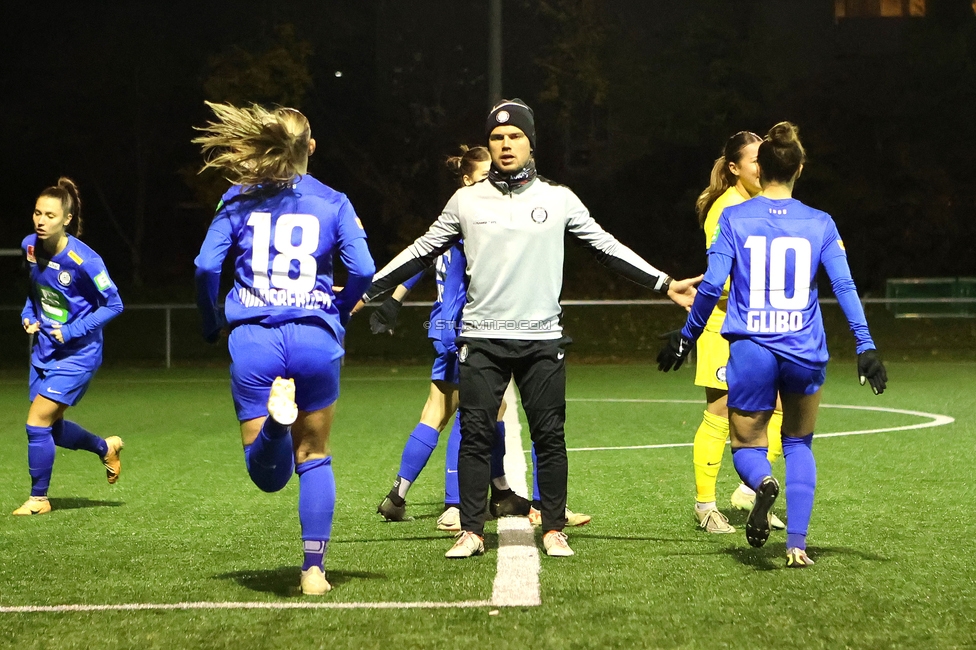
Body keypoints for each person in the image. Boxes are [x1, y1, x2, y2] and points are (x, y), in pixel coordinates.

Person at [363, 98, 699, 559]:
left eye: (514, 136)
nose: (505, 145)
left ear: (530, 143)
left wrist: (664, 283)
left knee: (550, 437)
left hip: (542, 339)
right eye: (497, 138)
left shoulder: (557, 198)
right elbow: (422, 249)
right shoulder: (465, 200)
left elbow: (606, 246)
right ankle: (472, 530)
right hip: (482, 337)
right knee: (476, 434)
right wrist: (372, 287)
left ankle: (555, 527)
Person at [657, 122, 888, 567]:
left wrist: (687, 338)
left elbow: (710, 287)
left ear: (758, 169)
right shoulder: (820, 222)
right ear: (800, 167)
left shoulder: (734, 217)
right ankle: (797, 546)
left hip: (751, 350)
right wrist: (866, 346)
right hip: (804, 349)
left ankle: (761, 482)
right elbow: (843, 285)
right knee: (800, 443)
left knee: (747, 446)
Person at [193, 101, 375, 594]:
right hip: (316, 339)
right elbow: (363, 271)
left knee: (268, 475)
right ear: (310, 148)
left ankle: (277, 422)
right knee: (314, 456)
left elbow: (207, 268)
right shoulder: (334, 200)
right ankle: (314, 571)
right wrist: (337, 312)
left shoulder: (237, 198)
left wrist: (211, 323)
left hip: (255, 340)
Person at [370, 146, 590, 531]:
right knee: (471, 417)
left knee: (451, 411)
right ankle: (458, 505)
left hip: (445, 326)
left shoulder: (455, 218)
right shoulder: (471, 219)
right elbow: (453, 273)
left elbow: (418, 260)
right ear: (469, 180)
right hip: (466, 329)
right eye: (485, 173)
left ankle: (412, 494)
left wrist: (395, 299)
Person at [691, 131, 785, 534]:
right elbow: (719, 278)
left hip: (758, 326)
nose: (762, 169)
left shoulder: (761, 204)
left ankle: (751, 490)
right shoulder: (725, 208)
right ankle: (705, 506)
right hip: (723, 325)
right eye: (754, 163)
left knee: (778, 406)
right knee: (720, 412)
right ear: (734, 168)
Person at [16, 177, 125, 516]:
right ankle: (104, 447)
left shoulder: (85, 260)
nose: (40, 220)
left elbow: (115, 304)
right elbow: (35, 290)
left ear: (66, 219)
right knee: (54, 429)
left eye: (49, 215)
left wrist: (72, 329)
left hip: (78, 354)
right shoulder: (30, 247)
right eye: (37, 213)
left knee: (36, 423)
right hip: (45, 351)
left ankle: (39, 499)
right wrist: (28, 314)